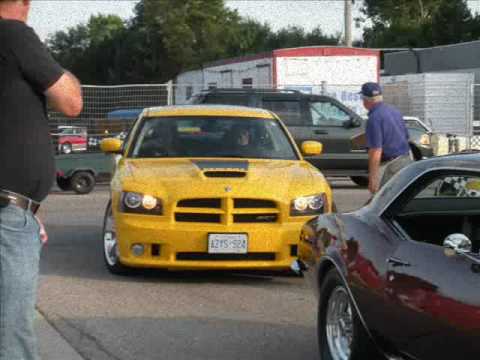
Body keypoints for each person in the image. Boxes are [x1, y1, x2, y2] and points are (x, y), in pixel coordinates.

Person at [0, 1, 83, 359]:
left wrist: (27, 207)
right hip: (5, 218)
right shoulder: (13, 34)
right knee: (10, 336)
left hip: (13, 209)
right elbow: (71, 101)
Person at [360, 82, 412, 194]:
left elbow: (375, 151)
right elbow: (406, 137)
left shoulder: (374, 118)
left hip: (390, 166)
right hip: (405, 161)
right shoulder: (395, 112)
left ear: (365, 99)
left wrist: (373, 179)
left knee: (381, 204)